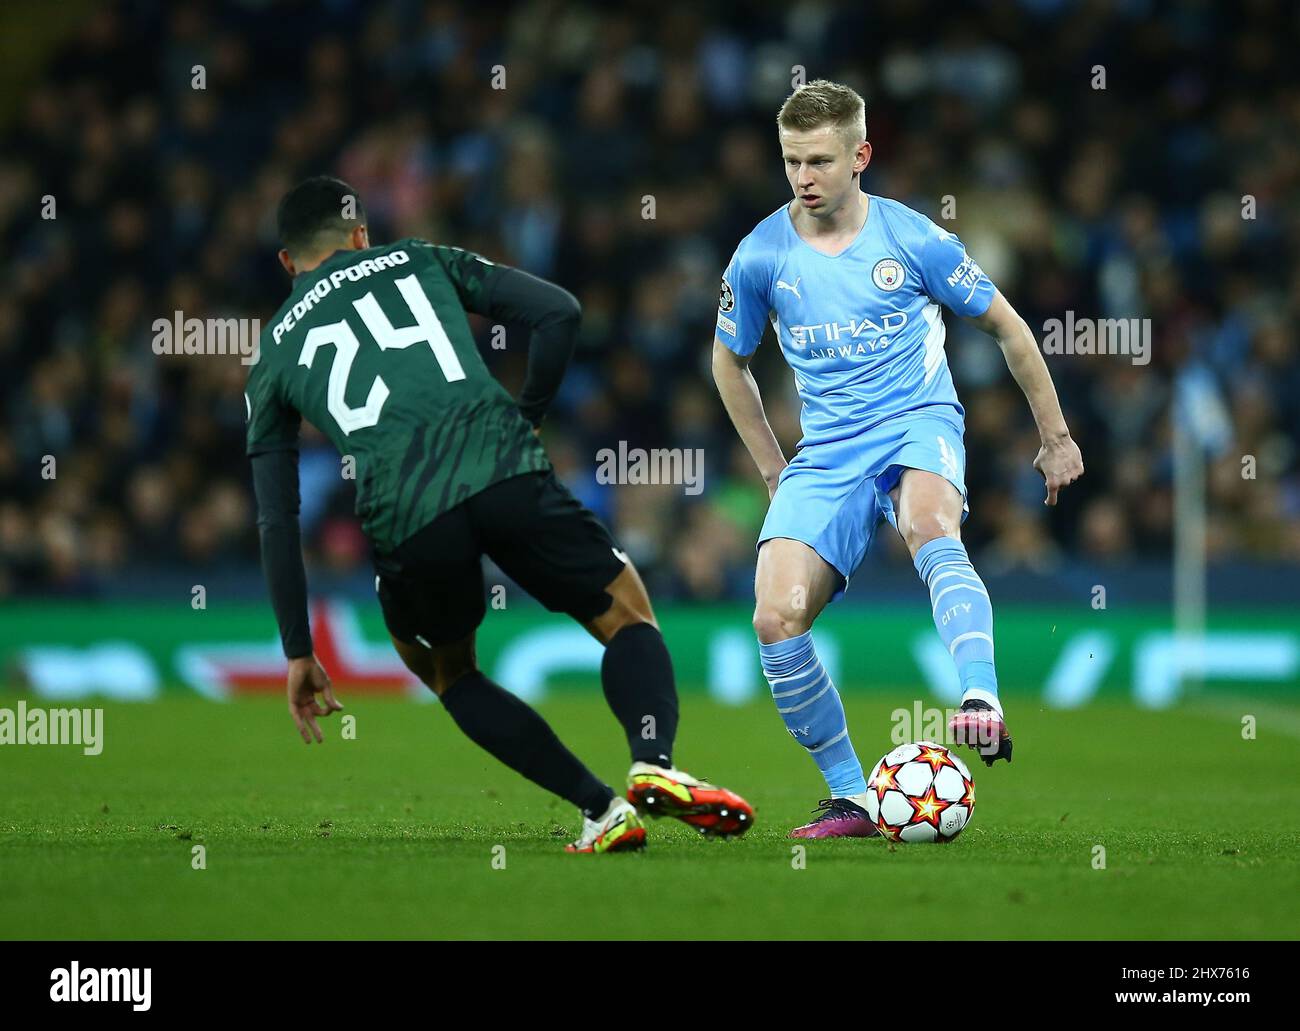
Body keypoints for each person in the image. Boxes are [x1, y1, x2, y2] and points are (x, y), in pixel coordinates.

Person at [247, 176, 752, 853]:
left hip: (405, 512)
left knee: (450, 671)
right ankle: (652, 764)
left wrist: (298, 649)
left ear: (288, 262)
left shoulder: (273, 349)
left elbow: (277, 515)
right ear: (362, 234)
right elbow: (560, 312)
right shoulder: (419, 258)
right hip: (503, 465)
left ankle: (601, 810)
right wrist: (527, 420)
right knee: (624, 611)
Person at [711, 81, 1083, 839]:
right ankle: (853, 796)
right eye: (790, 161)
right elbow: (728, 364)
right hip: (826, 453)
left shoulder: (916, 240)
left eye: (819, 160)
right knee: (775, 618)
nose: (803, 177)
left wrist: (1057, 437)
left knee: (927, 524)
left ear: (861, 156)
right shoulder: (759, 256)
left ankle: (979, 698)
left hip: (918, 421)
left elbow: (1010, 328)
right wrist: (776, 470)